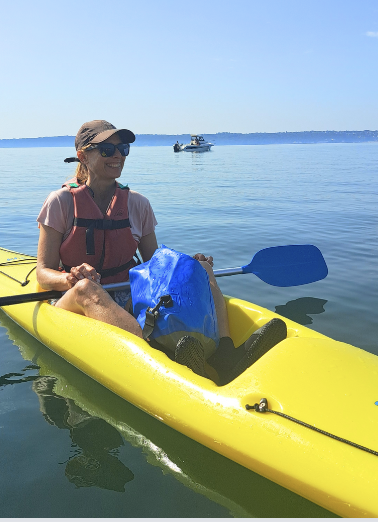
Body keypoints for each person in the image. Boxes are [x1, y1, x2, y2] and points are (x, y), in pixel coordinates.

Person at [35, 120, 285, 384]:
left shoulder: (138, 204)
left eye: (123, 148)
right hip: (72, 302)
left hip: (127, 294)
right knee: (87, 288)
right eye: (107, 149)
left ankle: (224, 354)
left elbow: (157, 267)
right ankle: (159, 357)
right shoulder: (60, 202)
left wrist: (190, 266)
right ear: (83, 155)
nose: (118, 155)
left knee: (199, 269)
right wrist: (70, 278)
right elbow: (42, 273)